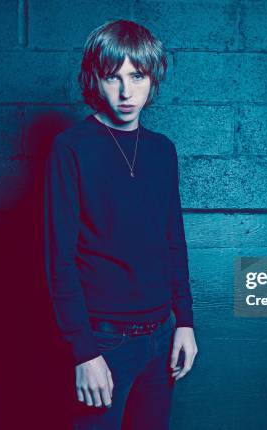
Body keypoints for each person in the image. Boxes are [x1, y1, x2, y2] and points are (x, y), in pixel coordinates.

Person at [43, 19, 198, 429]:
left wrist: (184, 321)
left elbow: (173, 243)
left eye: (137, 76)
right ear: (96, 78)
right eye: (113, 78)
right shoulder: (71, 148)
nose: (127, 92)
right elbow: (59, 259)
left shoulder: (162, 151)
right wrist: (84, 351)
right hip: (104, 341)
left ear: (153, 78)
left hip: (162, 335)